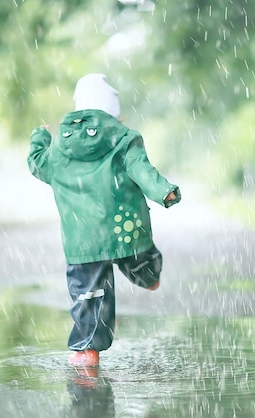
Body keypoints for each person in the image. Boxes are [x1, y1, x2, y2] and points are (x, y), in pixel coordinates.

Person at [27, 73, 181, 367]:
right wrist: (164, 192)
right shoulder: (124, 139)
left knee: (89, 294)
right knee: (140, 257)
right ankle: (148, 277)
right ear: (114, 115)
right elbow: (141, 170)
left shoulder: (59, 148)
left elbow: (38, 164)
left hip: (83, 241)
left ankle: (87, 350)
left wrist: (40, 136)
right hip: (124, 230)